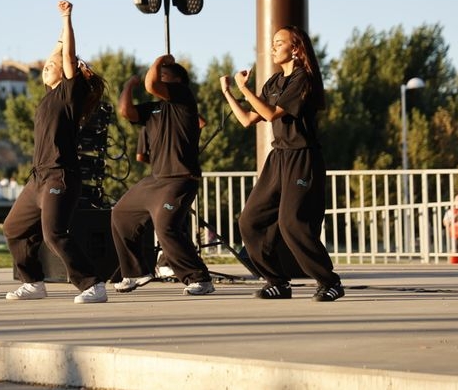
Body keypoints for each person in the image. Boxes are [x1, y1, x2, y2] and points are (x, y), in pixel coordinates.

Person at [220, 25, 344, 301]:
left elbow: (270, 113)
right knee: (250, 221)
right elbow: (249, 119)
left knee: (292, 223)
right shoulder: (275, 81)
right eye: (273, 42)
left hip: (303, 157)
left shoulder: (303, 79)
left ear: (296, 49)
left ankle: (330, 281)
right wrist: (230, 93)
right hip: (278, 158)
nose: (273, 47)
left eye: (279, 42)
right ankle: (277, 281)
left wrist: (245, 89)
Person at [2, 0, 108, 304]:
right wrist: (57, 39)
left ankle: (93, 284)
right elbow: (58, 53)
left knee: (54, 234)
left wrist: (67, 19)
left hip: (60, 176)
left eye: (54, 65)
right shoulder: (49, 97)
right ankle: (33, 282)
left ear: (66, 73)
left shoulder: (68, 94)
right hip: (38, 179)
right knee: (13, 228)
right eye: (47, 64)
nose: (48, 65)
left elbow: (67, 56)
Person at [111, 55, 215, 296]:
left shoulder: (183, 97)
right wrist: (128, 86)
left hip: (180, 178)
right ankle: (135, 272)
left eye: (165, 74)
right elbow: (126, 112)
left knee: (166, 227)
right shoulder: (154, 108)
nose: (159, 76)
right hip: (155, 179)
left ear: (178, 80)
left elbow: (151, 84)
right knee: (121, 214)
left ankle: (200, 279)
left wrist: (160, 60)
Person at [443, 193, 458, 262]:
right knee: (455, 250)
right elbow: (445, 223)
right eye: (457, 199)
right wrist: (453, 219)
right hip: (454, 235)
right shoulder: (450, 211)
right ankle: (454, 262)